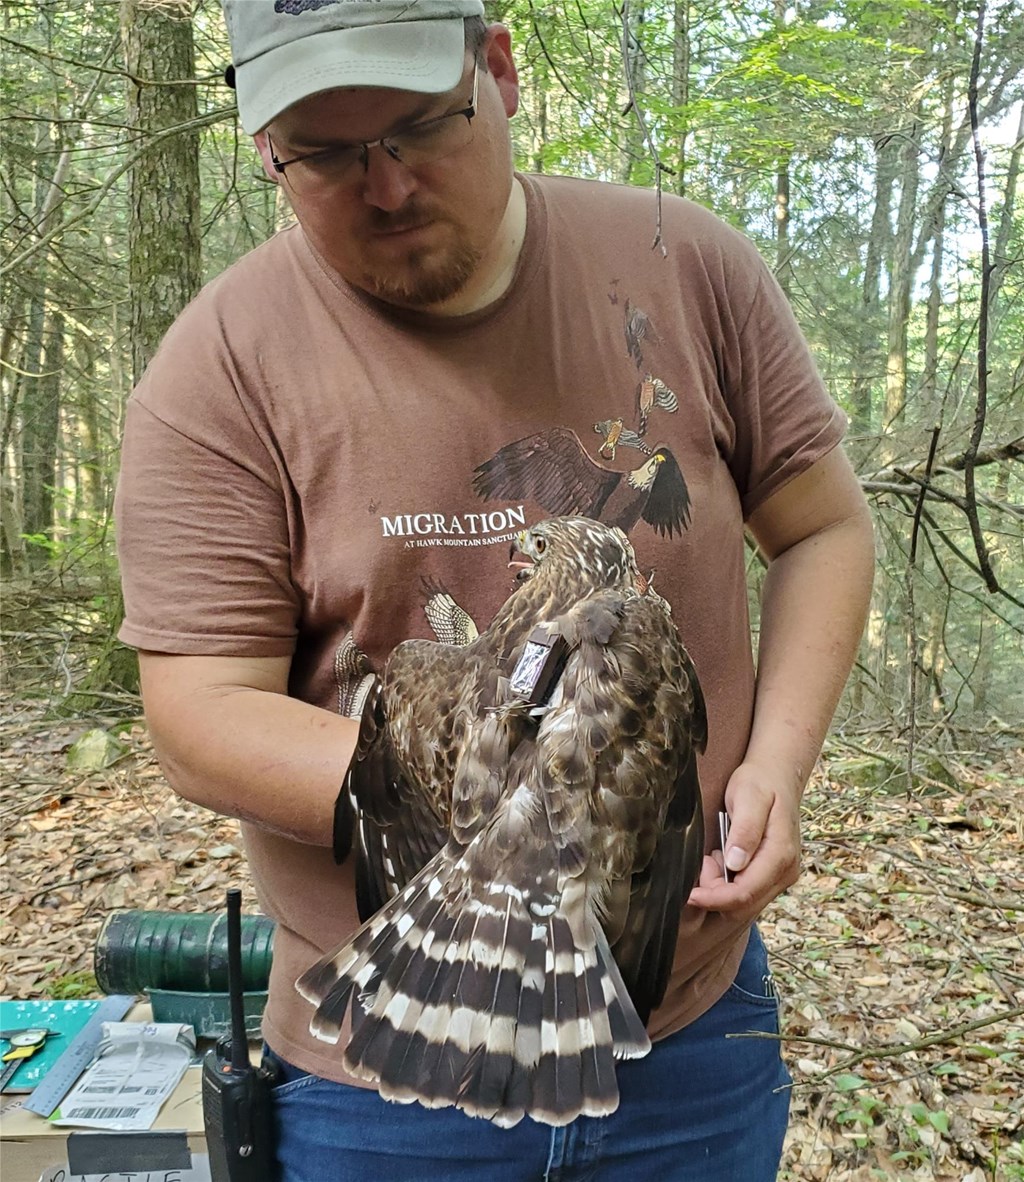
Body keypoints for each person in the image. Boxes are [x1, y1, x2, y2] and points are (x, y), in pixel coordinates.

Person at [114, 2, 875, 1179]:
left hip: (687, 1024)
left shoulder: (683, 266)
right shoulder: (219, 369)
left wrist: (775, 764)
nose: (384, 185)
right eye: (324, 152)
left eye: (420, 125)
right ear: (265, 146)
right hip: (390, 1053)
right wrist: (514, 833)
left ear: (501, 69)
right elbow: (197, 715)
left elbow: (824, 528)